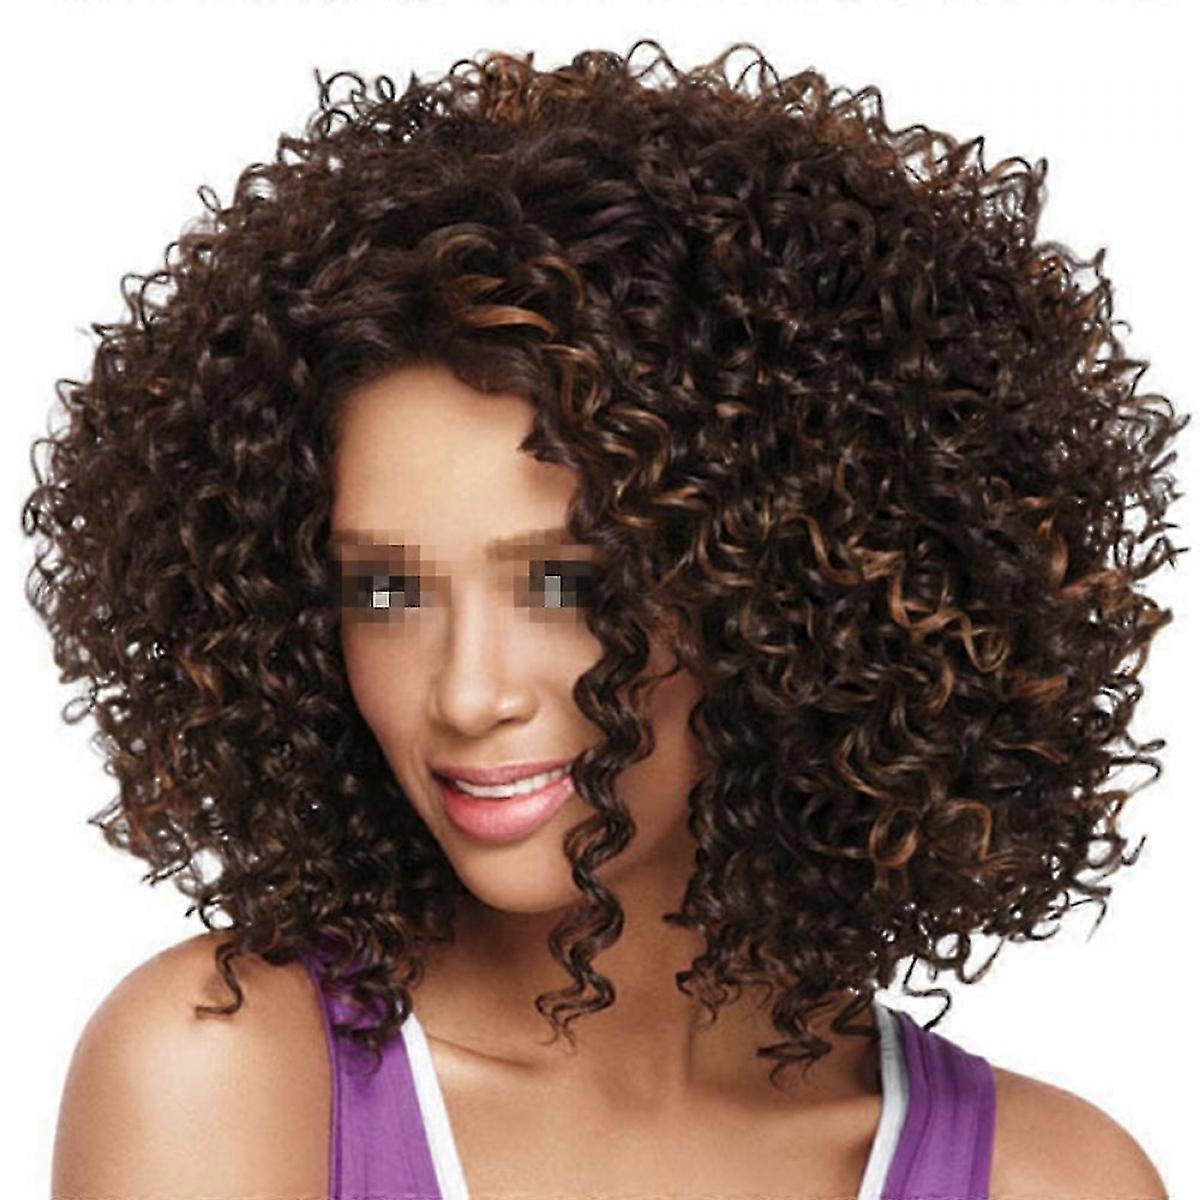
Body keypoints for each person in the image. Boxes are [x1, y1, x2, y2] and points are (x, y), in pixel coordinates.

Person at [26, 40, 1180, 1200]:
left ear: (780, 589)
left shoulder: (1051, 1181)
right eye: (386, 592)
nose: (466, 693)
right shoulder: (227, 1080)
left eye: (563, 585)